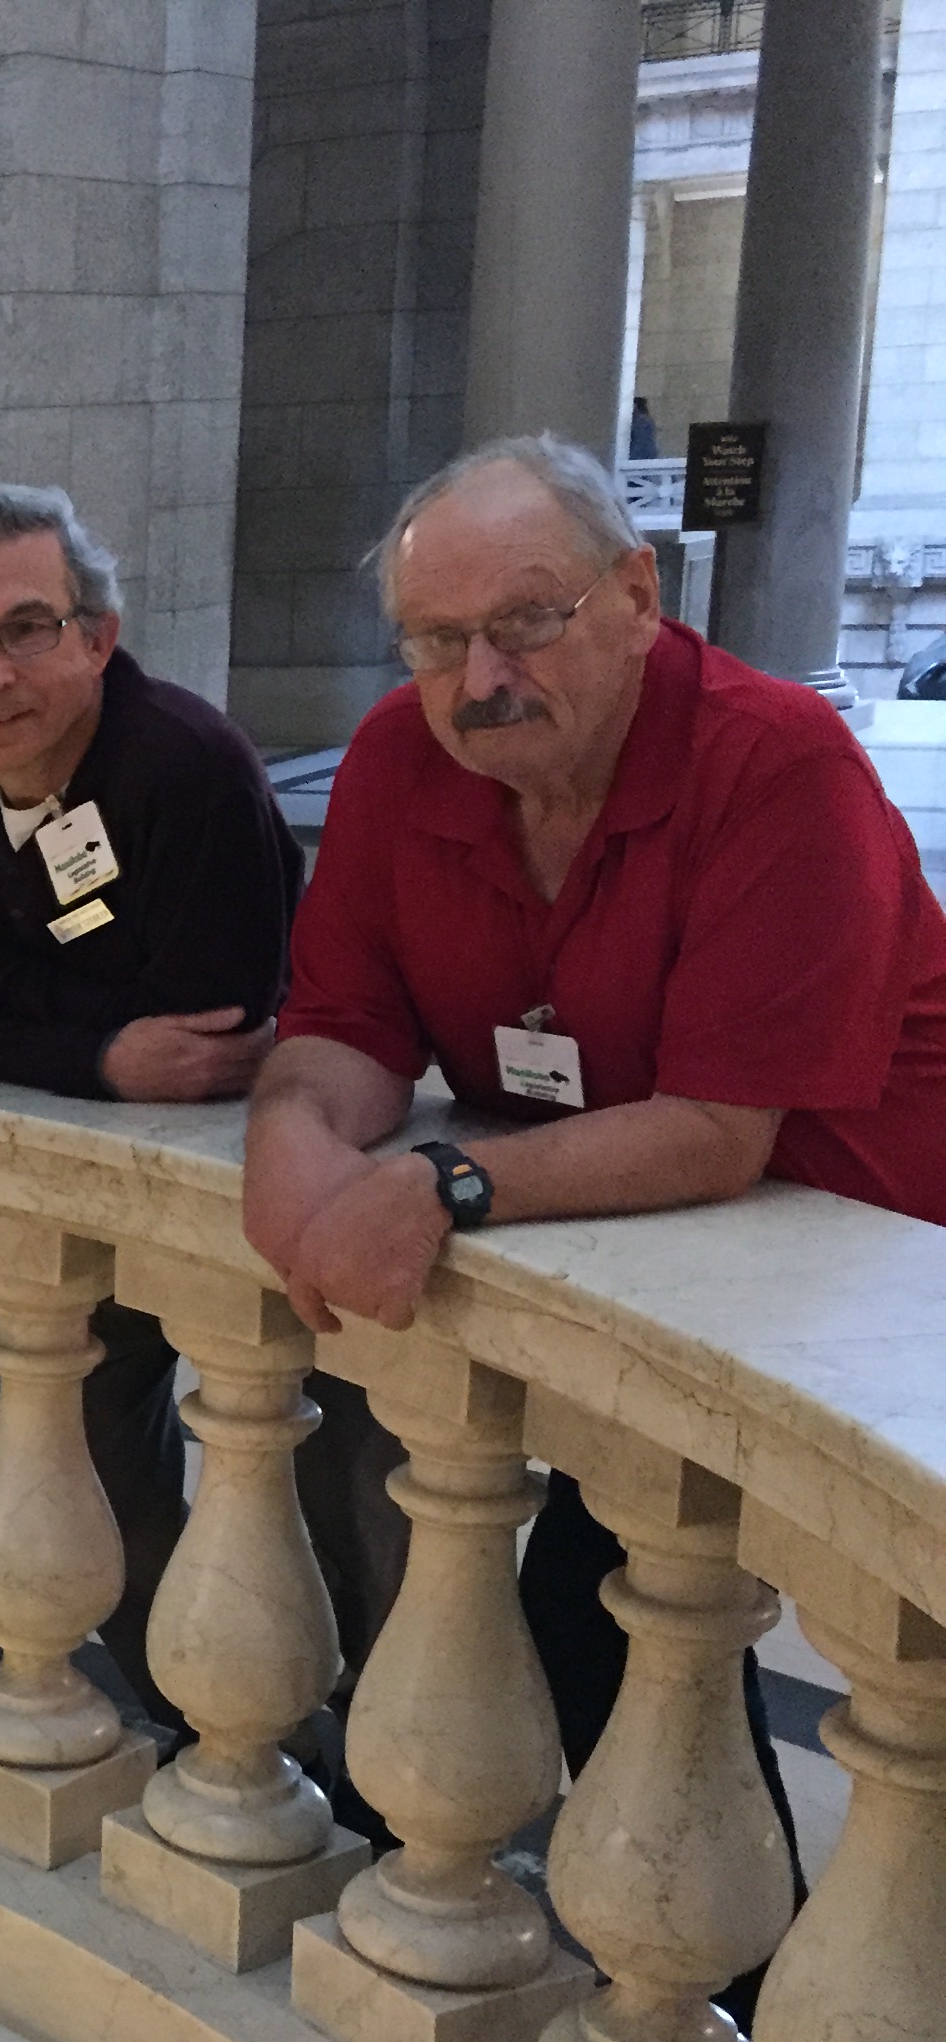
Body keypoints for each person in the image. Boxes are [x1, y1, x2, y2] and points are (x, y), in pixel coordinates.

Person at [244, 432, 946, 1891]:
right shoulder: (399, 760)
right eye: (438, 640)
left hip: (864, 1250)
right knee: (612, 1607)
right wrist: (295, 1135)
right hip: (659, 1241)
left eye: (528, 620)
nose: (483, 675)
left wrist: (446, 1185)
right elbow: (343, 1028)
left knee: (646, 1609)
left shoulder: (777, 758)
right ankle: (744, 1979)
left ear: (637, 591)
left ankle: (775, 2004)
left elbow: (720, 1124)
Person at [0, 482, 310, 1722]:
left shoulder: (187, 765)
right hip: (66, 1178)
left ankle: (359, 1770)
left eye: (28, 629)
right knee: (99, 1452)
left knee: (313, 1483)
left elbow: (213, 1038)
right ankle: (198, 1716)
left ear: (99, 639)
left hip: (251, 1173)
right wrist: (102, 1047)